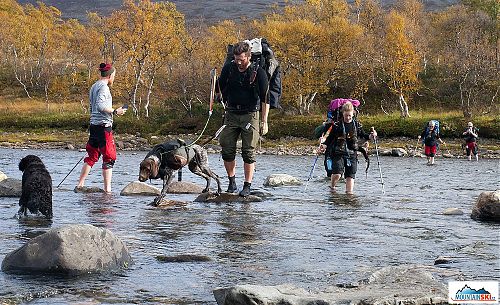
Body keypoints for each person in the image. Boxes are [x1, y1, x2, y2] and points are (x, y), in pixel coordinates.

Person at [217, 41, 269, 197]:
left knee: (248, 152)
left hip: (251, 114)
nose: (238, 62)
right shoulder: (229, 68)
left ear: (249, 56)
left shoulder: (258, 72)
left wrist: (264, 121)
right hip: (231, 113)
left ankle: (247, 185)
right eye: (236, 59)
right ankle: (232, 182)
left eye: (242, 59)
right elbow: (219, 87)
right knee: (226, 148)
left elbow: (265, 98)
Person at [75, 63, 127, 193]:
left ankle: (80, 184)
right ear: (110, 75)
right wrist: (116, 111)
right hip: (103, 127)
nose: (114, 78)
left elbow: (93, 107)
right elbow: (100, 106)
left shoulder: (94, 86)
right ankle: (107, 190)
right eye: (114, 76)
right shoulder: (104, 88)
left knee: (92, 155)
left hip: (94, 126)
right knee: (109, 157)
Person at [319, 101, 377, 194]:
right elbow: (329, 139)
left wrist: (372, 136)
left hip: (352, 153)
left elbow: (364, 135)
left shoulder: (357, 125)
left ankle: (349, 194)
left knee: (350, 176)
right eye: (346, 115)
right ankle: (332, 187)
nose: (348, 117)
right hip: (338, 152)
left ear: (353, 114)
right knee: (337, 174)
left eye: (350, 115)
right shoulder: (337, 125)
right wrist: (324, 145)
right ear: (343, 114)